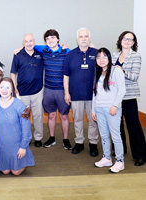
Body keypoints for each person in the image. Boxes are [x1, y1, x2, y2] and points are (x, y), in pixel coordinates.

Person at [63, 28, 99, 157]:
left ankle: (93, 143)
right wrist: (66, 93)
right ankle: (79, 142)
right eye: (81, 37)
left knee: (93, 120)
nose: (83, 39)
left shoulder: (97, 53)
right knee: (77, 119)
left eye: (86, 36)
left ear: (89, 38)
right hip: (75, 94)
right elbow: (66, 76)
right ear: (77, 39)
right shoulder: (70, 55)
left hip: (93, 95)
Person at [112, 31, 146, 166]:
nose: (127, 41)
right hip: (115, 96)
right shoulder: (115, 55)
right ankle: (121, 149)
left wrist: (122, 71)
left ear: (133, 43)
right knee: (117, 125)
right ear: (121, 40)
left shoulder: (136, 56)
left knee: (133, 125)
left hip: (129, 95)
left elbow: (134, 76)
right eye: (125, 39)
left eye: (130, 40)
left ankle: (140, 154)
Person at [34, 29, 72, 150]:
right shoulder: (44, 50)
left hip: (62, 90)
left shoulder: (66, 51)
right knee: (51, 115)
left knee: (64, 116)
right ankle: (52, 138)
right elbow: (31, 45)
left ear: (58, 39)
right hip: (48, 90)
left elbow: (79, 52)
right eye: (48, 39)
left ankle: (66, 139)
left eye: (52, 38)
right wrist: (19, 48)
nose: (50, 40)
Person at [92, 48, 126, 173]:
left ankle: (120, 161)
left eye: (104, 57)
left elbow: (122, 90)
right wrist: (93, 110)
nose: (101, 60)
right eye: (98, 57)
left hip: (112, 109)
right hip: (99, 108)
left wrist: (115, 105)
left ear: (109, 58)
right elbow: (94, 93)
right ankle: (107, 158)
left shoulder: (116, 71)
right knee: (104, 135)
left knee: (115, 135)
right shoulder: (98, 73)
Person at [0, 77, 35, 175]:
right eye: (2, 87)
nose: (4, 90)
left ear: (12, 90)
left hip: (16, 144)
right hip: (1, 144)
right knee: (5, 171)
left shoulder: (19, 105)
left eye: (8, 87)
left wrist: (23, 146)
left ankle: (24, 159)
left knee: (16, 172)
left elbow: (26, 128)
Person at [10, 34, 44, 148]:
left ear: (34, 42)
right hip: (22, 92)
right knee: (24, 117)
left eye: (31, 41)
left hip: (38, 91)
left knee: (38, 115)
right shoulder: (18, 55)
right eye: (26, 41)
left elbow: (52, 46)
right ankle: (26, 137)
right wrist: (14, 89)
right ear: (23, 43)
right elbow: (13, 73)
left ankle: (38, 138)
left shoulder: (40, 53)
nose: (29, 43)